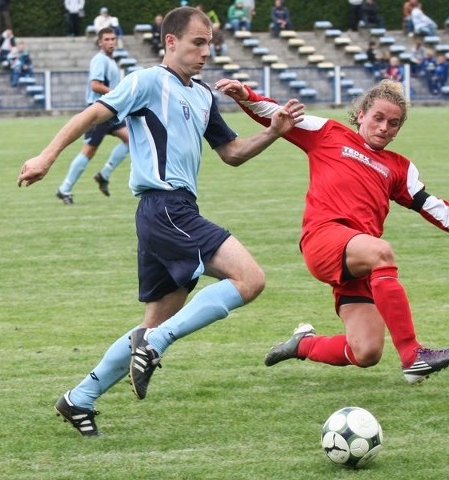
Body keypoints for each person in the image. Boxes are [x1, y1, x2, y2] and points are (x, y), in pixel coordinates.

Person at [17, 6, 304, 436]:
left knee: (152, 324)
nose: (206, 51)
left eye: (209, 43)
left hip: (169, 213)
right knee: (250, 279)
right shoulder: (148, 81)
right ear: (171, 42)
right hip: (165, 208)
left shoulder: (204, 95)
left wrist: (273, 132)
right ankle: (154, 345)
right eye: (197, 42)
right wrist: (46, 156)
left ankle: (79, 398)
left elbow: (232, 153)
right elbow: (91, 115)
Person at [215, 76, 449, 385]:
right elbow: (277, 114)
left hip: (358, 259)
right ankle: (413, 355)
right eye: (378, 118)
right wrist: (244, 93)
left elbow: (432, 205)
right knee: (382, 251)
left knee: (365, 351)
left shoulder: (399, 167)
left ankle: (302, 344)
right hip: (324, 239)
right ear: (362, 114)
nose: (383, 127)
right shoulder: (328, 133)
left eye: (393, 124)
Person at [54, 27, 129, 204]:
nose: (111, 42)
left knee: (131, 140)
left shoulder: (110, 61)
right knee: (88, 152)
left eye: (113, 39)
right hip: (98, 110)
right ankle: (64, 188)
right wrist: (117, 93)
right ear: (100, 42)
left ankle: (104, 175)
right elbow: (95, 85)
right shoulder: (99, 60)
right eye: (107, 39)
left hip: (110, 110)